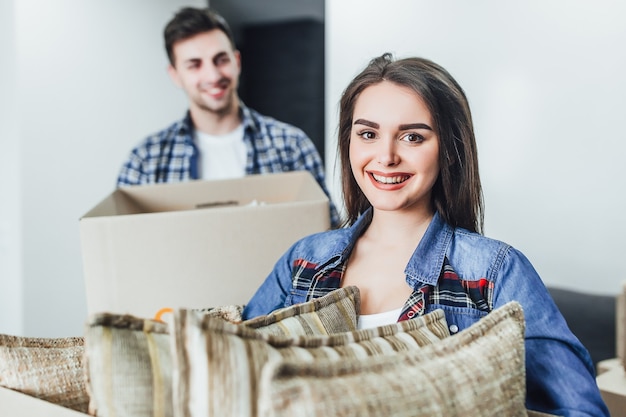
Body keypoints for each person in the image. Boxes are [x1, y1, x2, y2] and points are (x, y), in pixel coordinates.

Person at [242, 53, 609, 415]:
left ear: (449, 150)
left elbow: (581, 410)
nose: (385, 156)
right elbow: (238, 376)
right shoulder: (303, 260)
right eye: (368, 134)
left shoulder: (494, 271)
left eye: (412, 138)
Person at [116, 7, 339, 228]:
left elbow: (328, 234)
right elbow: (122, 245)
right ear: (175, 75)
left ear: (237, 62)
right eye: (195, 65)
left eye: (220, 60)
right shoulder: (145, 161)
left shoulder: (291, 146)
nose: (213, 76)